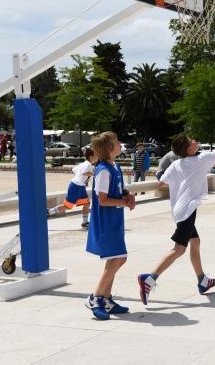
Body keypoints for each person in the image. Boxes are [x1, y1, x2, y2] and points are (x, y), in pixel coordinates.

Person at [137, 131, 215, 305]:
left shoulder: (176, 164)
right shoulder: (200, 160)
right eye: (190, 141)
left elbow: (161, 182)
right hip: (187, 211)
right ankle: (150, 278)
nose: (194, 141)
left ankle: (202, 280)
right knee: (179, 249)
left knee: (196, 241)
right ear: (189, 149)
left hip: (180, 210)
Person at [85, 131, 136, 321]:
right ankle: (95, 297)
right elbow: (103, 199)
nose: (120, 143)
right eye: (117, 141)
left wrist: (127, 195)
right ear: (109, 148)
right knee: (119, 258)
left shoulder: (114, 166)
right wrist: (124, 202)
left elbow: (118, 189)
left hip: (114, 219)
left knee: (115, 258)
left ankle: (106, 299)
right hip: (106, 220)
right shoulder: (104, 170)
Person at [47, 148, 97, 228]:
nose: (97, 157)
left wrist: (82, 180)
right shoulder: (88, 165)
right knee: (68, 206)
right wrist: (94, 174)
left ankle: (85, 223)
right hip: (76, 186)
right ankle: (49, 212)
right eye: (96, 155)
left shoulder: (85, 163)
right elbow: (84, 172)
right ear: (91, 156)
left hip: (80, 186)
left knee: (87, 204)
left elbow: (74, 170)